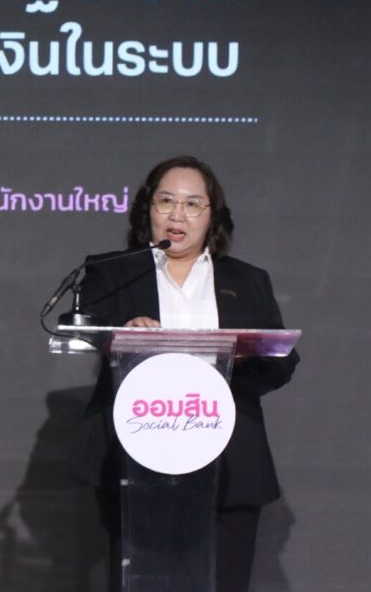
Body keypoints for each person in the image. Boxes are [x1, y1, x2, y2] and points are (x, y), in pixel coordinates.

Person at [70, 155, 298, 592]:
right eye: (166, 201)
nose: (178, 215)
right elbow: (89, 333)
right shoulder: (112, 273)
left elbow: (281, 363)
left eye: (193, 204)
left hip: (227, 460)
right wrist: (126, 333)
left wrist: (242, 355)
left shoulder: (248, 280)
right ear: (147, 209)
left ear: (212, 216)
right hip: (136, 455)